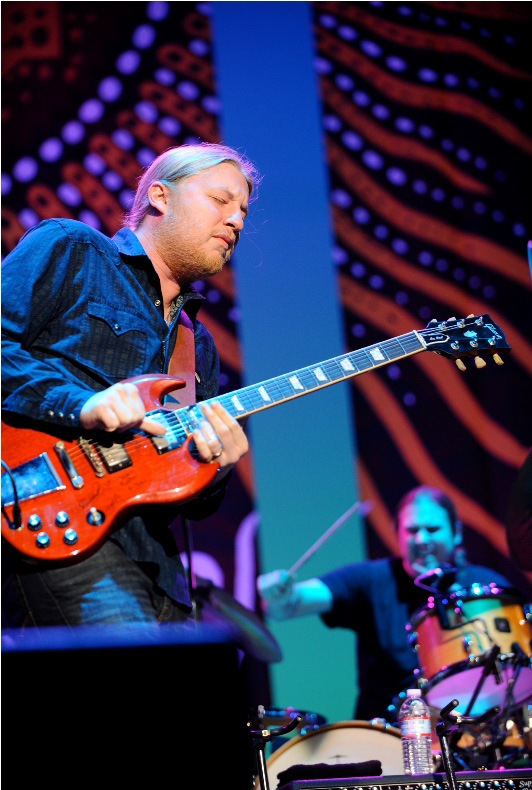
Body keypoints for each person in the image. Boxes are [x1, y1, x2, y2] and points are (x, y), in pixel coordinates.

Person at [1, 142, 258, 631]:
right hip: (53, 525)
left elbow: (194, 503)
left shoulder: (197, 346)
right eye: (221, 200)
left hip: (160, 573)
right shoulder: (73, 249)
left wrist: (218, 462)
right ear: (160, 196)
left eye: (243, 211)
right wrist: (82, 405)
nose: (236, 221)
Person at [257, 485, 509, 723]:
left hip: (472, 728)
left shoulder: (489, 587)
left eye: (432, 529)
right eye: (412, 530)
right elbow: (288, 605)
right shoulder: (370, 580)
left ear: (456, 532)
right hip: (384, 733)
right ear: (396, 532)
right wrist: (277, 594)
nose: (422, 539)